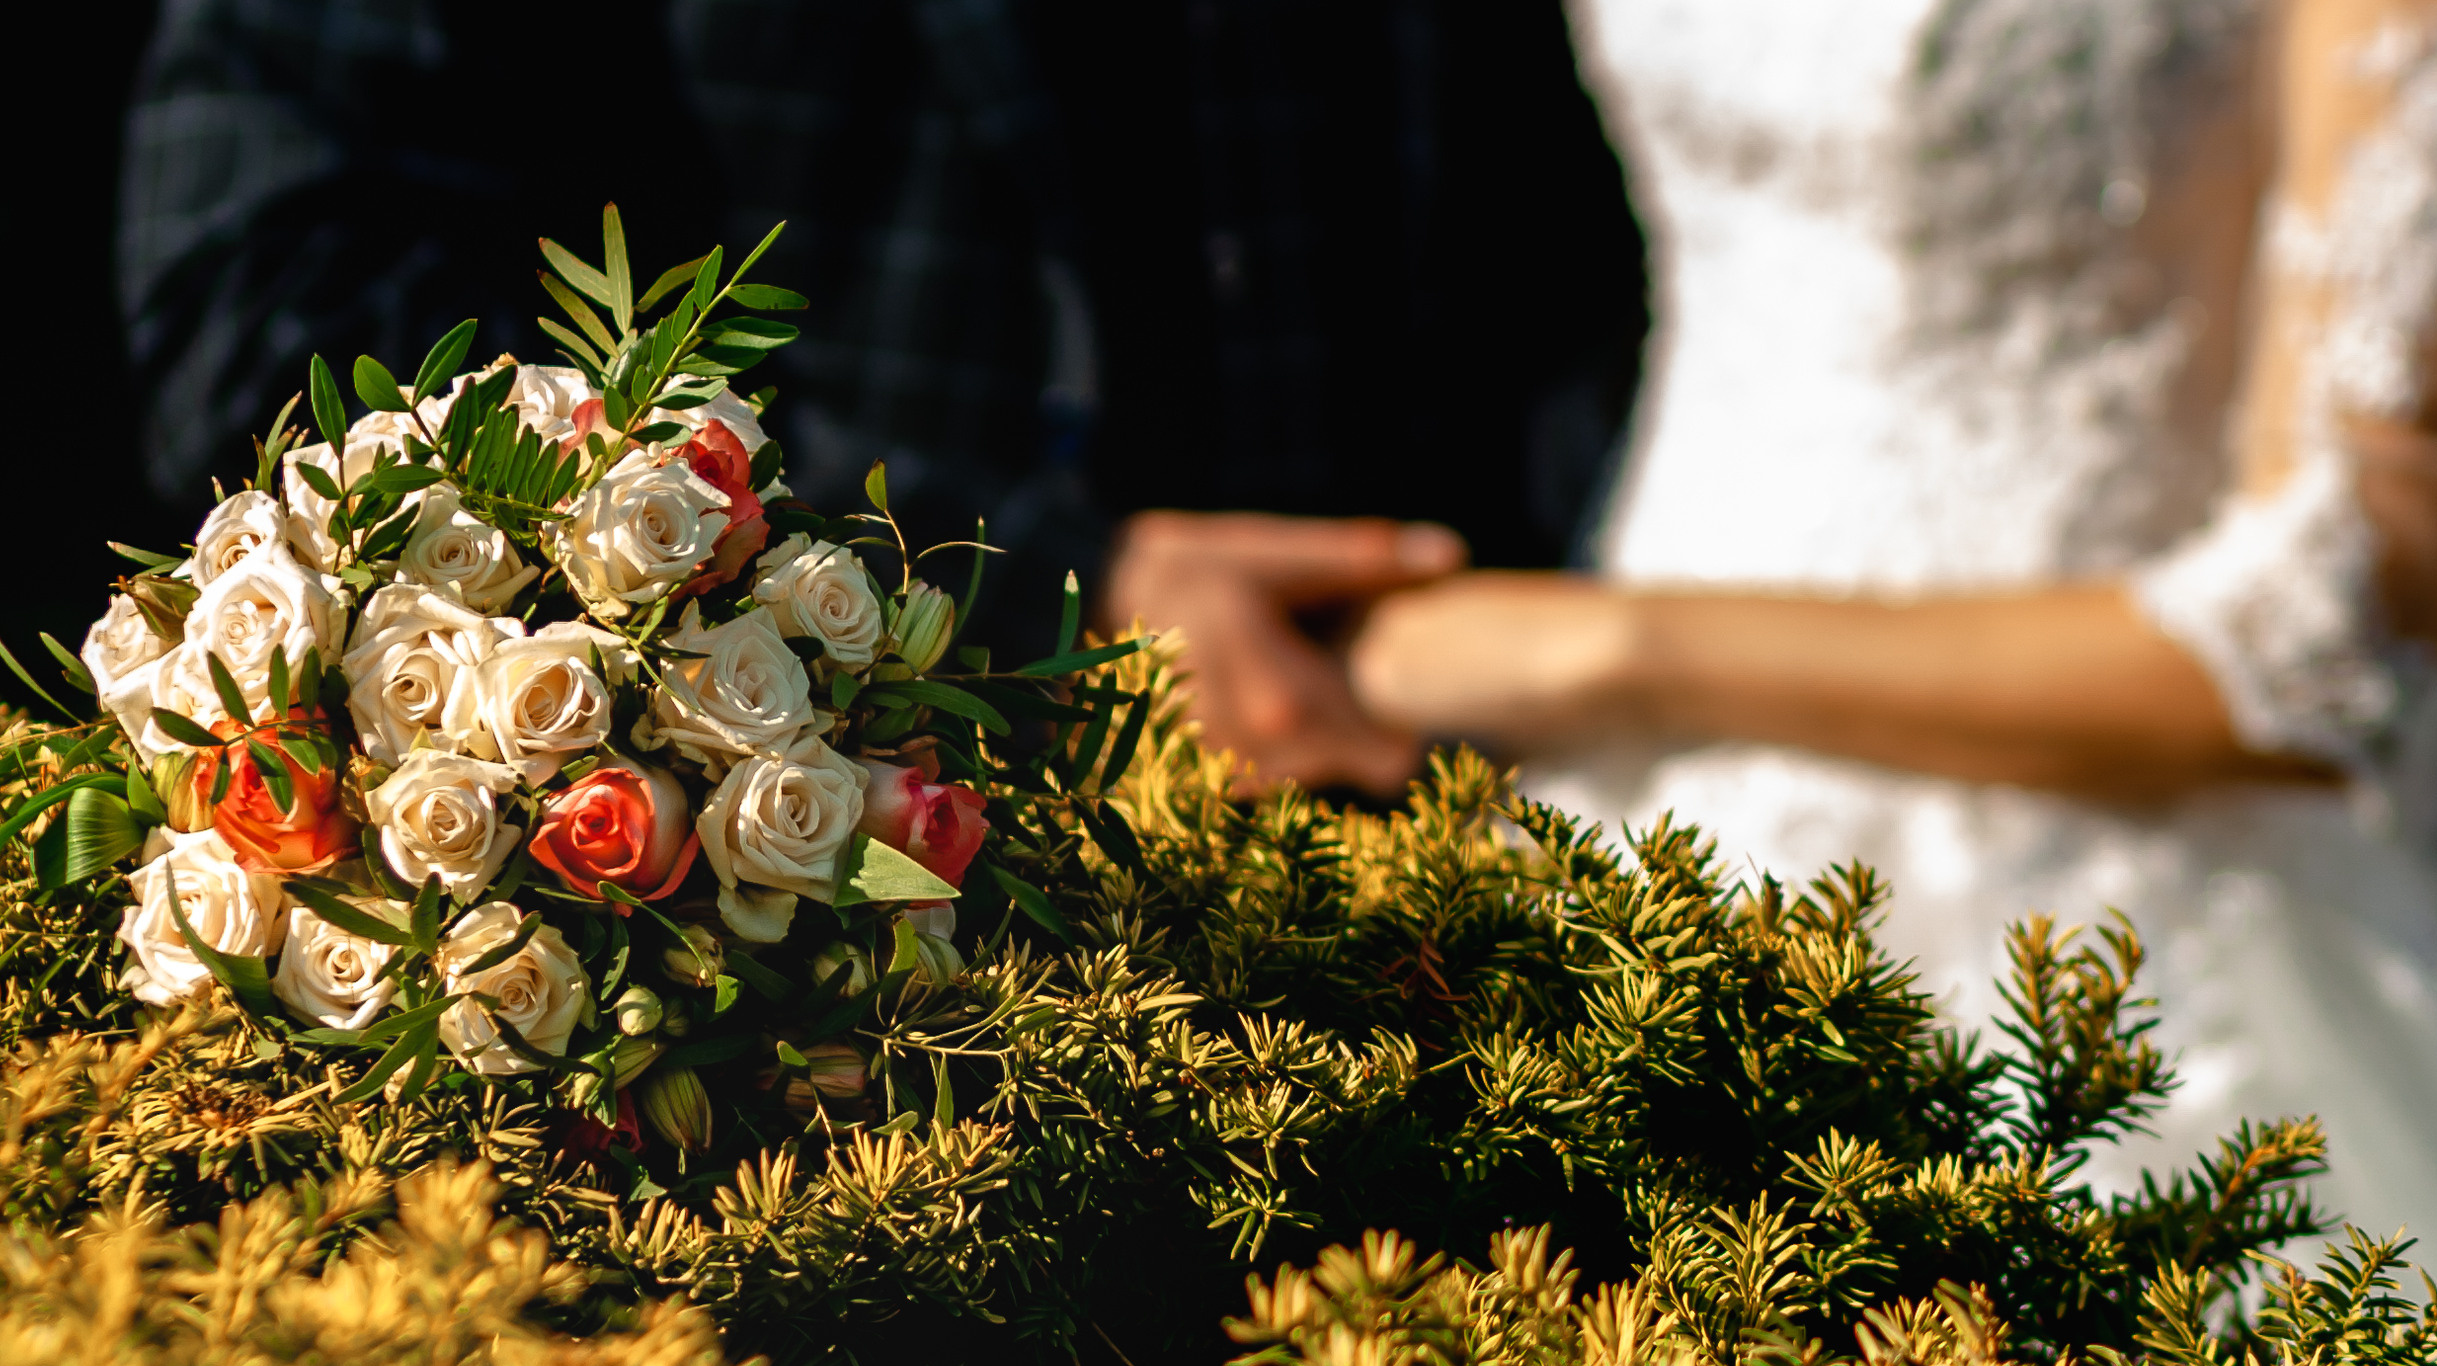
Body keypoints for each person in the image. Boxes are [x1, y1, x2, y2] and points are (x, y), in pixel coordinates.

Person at [1113, 0, 2437, 1366]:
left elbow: (2330, 628)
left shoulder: (1575, 656)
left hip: (2091, 927)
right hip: (1602, 847)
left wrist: (1601, 649)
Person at [115, 0, 1640, 671]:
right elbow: (266, 312)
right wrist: (1032, 594)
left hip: (1487, 811)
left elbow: (1582, 243)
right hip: (844, 967)